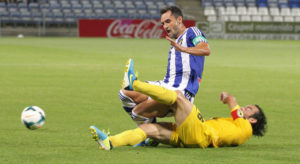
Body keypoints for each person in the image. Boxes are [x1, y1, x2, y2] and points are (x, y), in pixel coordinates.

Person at [89, 59, 267, 150]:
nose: (244, 109)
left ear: (252, 120)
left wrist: (230, 99)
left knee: (179, 97)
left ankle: (134, 83)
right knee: (150, 129)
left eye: (249, 109)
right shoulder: (238, 129)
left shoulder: (245, 127)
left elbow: (235, 106)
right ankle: (110, 142)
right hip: (190, 139)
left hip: (201, 135)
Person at [119, 6, 211, 126]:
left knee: (137, 113)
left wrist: (183, 48)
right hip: (165, 84)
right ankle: (149, 132)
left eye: (168, 21)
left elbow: (205, 49)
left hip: (181, 93)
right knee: (125, 93)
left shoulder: (192, 31)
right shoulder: (174, 44)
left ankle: (150, 133)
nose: (165, 26)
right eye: (163, 23)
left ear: (179, 20)